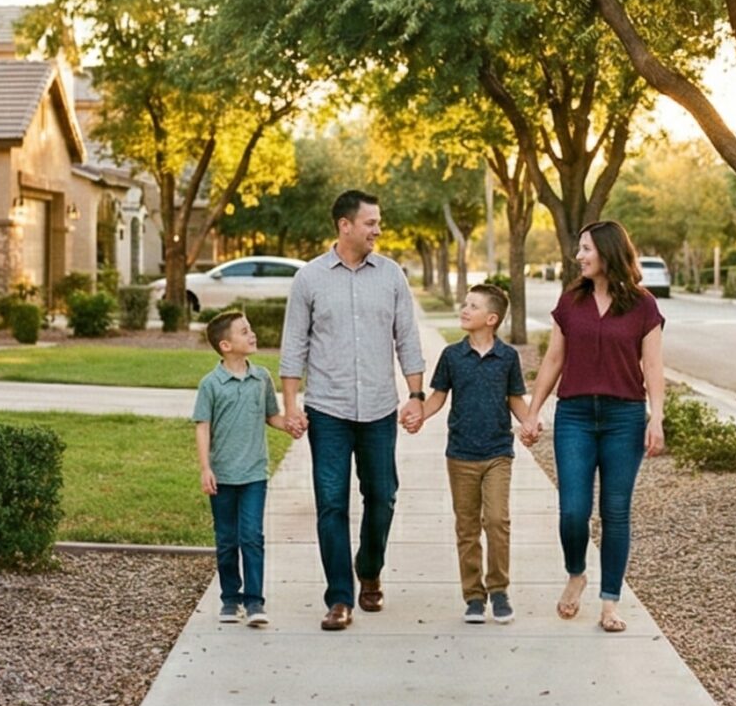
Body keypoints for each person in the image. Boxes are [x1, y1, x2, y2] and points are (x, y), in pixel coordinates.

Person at [279, 189, 425, 632]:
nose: (377, 230)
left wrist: (416, 396)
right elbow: (294, 346)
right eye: (370, 223)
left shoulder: (392, 276)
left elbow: (408, 338)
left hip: (380, 409)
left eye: (378, 223)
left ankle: (370, 567)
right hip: (328, 410)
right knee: (331, 505)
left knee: (382, 498)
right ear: (345, 225)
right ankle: (339, 597)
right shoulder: (309, 279)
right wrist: (291, 405)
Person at [521, 220, 666, 632]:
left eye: (585, 249)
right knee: (573, 511)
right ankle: (576, 573)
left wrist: (656, 417)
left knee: (615, 511)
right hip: (576, 417)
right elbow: (553, 360)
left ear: (607, 251)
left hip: (624, 417)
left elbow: (653, 366)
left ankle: (609, 602)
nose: (579, 256)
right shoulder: (571, 301)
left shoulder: (643, 306)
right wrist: (533, 411)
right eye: (579, 249)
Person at [418, 282, 536, 624]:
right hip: (461, 454)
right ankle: (473, 596)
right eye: (465, 304)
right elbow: (438, 396)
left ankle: (498, 590)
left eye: (473, 306)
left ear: (492, 318)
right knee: (467, 527)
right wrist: (418, 414)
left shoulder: (508, 357)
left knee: (497, 521)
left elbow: (515, 398)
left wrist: (529, 422)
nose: (464, 309)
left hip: (498, 452)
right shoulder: (452, 355)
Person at [193, 309, 295, 627]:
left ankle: (254, 602)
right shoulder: (211, 384)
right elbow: (202, 426)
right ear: (226, 345)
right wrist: (205, 468)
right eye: (244, 331)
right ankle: (229, 599)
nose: (252, 335)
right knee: (226, 539)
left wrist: (290, 424)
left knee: (251, 536)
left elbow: (271, 416)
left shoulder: (261, 377)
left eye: (250, 329)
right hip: (222, 475)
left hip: (254, 474)